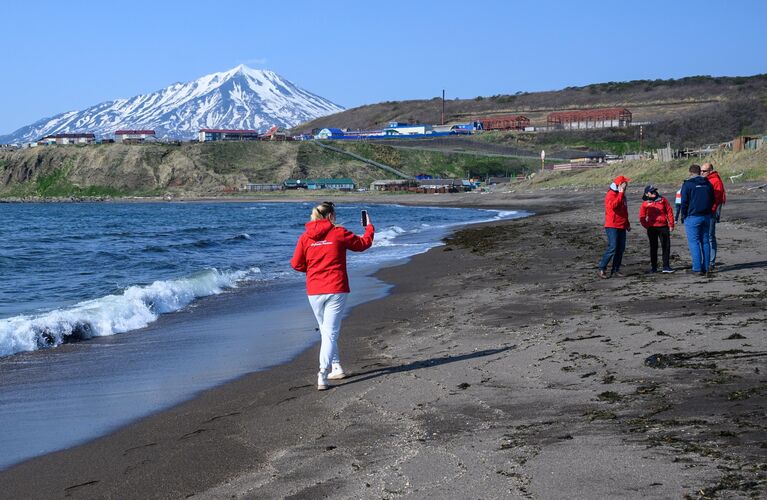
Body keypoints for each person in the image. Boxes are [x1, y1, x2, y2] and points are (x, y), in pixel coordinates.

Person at [290, 202, 375, 390]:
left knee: (326, 331)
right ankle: (322, 373)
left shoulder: (305, 237)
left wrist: (313, 269)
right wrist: (369, 227)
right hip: (335, 288)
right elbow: (363, 244)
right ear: (330, 216)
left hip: (315, 290)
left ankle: (336, 367)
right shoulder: (339, 233)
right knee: (329, 332)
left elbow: (296, 264)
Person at [680, 164, 715, 276]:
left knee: (694, 242)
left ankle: (697, 268)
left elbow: (684, 201)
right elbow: (712, 199)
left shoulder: (687, 184)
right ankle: (706, 267)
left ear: (690, 172)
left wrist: (683, 215)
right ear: (700, 172)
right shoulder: (707, 183)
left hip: (693, 216)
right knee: (705, 241)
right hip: (706, 215)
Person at [598, 175, 631, 279]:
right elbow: (613, 206)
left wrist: (627, 224)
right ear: (620, 185)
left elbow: (624, 211)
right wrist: (621, 193)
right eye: (625, 183)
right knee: (613, 247)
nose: (627, 185)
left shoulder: (623, 195)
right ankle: (602, 268)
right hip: (612, 225)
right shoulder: (610, 194)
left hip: (621, 225)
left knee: (620, 248)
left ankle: (616, 269)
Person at [639, 185, 675, 273]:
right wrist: (646, 225)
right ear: (647, 193)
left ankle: (666, 266)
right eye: (652, 192)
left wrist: (671, 224)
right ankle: (654, 267)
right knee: (653, 247)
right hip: (652, 228)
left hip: (663, 227)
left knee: (666, 246)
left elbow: (669, 211)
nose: (654, 193)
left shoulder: (663, 200)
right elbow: (642, 216)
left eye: (655, 191)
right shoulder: (645, 203)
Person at [701, 162, 726, 269]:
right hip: (703, 211)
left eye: (704, 171)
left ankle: (711, 262)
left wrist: (711, 210)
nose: (702, 173)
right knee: (703, 236)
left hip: (711, 212)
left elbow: (718, 198)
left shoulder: (715, 181)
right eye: (701, 171)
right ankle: (705, 260)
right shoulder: (704, 180)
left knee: (710, 237)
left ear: (710, 171)